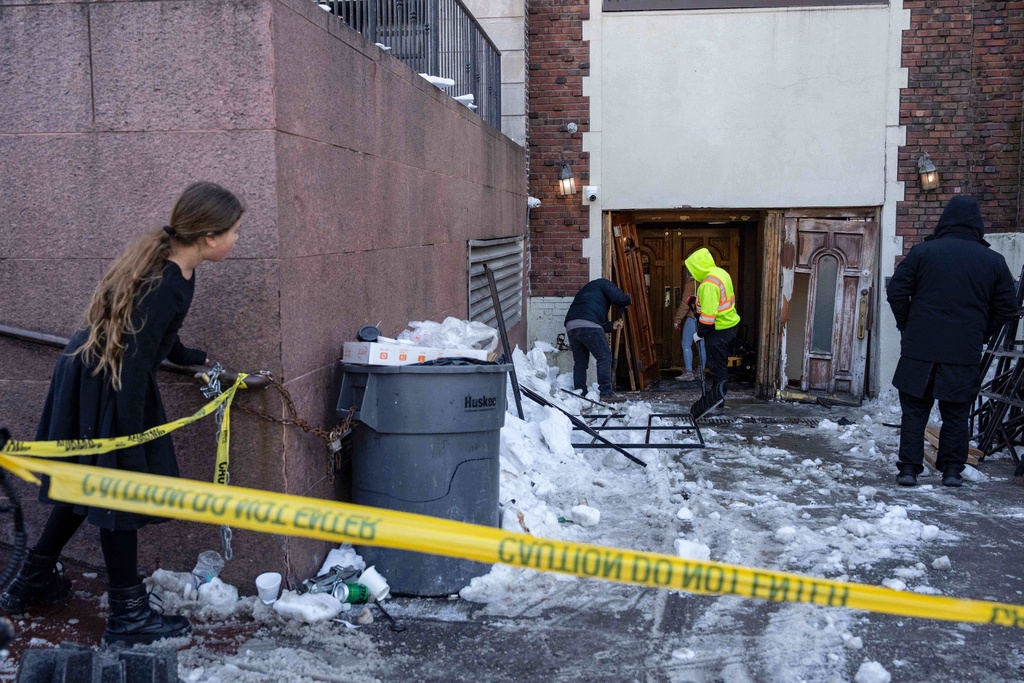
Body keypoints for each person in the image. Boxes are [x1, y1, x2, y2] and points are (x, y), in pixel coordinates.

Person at [0, 182, 244, 644]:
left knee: (89, 484)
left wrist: (189, 356)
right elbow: (132, 365)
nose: (237, 240)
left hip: (100, 375)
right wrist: (129, 437)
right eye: (234, 232)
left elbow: (154, 336)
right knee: (118, 493)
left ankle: (32, 580)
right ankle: (127, 617)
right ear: (209, 236)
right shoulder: (166, 281)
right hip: (108, 382)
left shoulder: (177, 270)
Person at [887, 195, 1016, 488]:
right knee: (956, 413)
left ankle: (908, 469)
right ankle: (952, 472)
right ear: (978, 225)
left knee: (915, 412)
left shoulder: (922, 253)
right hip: (962, 351)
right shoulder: (993, 262)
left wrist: (908, 326)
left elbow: (896, 292)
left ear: (944, 220)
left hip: (919, 350)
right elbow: (1006, 308)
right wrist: (982, 333)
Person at [684, 248, 740, 400]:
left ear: (698, 267)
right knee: (719, 364)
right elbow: (718, 300)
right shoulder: (720, 273)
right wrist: (697, 302)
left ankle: (717, 402)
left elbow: (708, 320)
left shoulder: (708, 284)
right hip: (730, 324)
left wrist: (699, 334)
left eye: (691, 268)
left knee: (717, 368)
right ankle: (716, 399)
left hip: (719, 329)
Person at [564, 278, 631, 402]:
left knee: (580, 362)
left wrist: (612, 325)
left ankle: (580, 392)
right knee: (604, 357)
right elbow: (621, 298)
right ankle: (606, 393)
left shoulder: (590, 295)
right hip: (588, 324)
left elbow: (598, 323)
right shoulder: (604, 283)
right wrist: (628, 300)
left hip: (571, 325)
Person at [672, 271, 706, 381]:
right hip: (706, 317)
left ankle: (689, 372)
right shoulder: (708, 279)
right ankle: (701, 371)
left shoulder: (692, 282)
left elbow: (685, 303)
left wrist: (677, 319)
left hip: (693, 317)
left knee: (686, 344)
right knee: (702, 346)